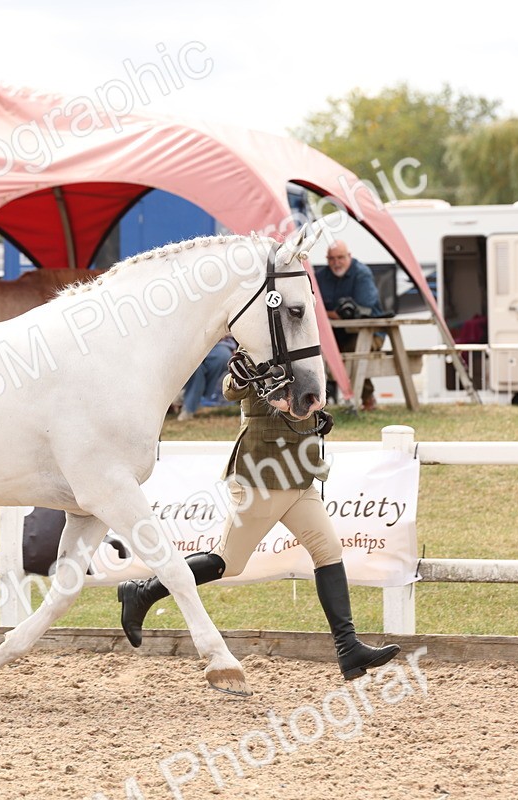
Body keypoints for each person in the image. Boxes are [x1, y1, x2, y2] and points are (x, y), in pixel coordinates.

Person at [118, 355, 400, 680]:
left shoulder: (302, 344)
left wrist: (316, 417)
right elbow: (231, 389)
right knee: (228, 562)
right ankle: (143, 592)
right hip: (261, 477)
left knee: (328, 551)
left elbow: (303, 394)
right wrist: (239, 380)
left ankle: (348, 648)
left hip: (300, 472)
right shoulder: (259, 340)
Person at [315, 240, 385, 411]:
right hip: (335, 334)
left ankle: (364, 398)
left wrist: (329, 313)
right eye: (331, 258)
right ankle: (319, 399)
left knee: (354, 350)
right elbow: (313, 305)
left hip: (368, 333)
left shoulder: (361, 273)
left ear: (349, 256)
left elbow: (364, 308)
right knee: (315, 350)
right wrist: (333, 314)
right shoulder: (320, 276)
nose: (336, 262)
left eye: (340, 257)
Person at [177, 337, 235, 421]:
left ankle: (190, 395)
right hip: (189, 343)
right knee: (196, 367)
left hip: (218, 342)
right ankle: (189, 407)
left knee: (223, 356)